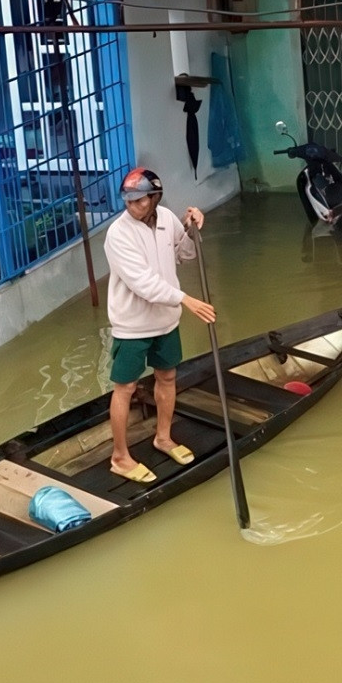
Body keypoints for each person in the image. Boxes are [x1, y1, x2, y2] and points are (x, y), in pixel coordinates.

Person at [102, 167, 212, 484]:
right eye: (129, 200)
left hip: (165, 322)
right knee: (125, 387)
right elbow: (144, 284)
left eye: (140, 200)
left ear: (154, 198)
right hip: (133, 326)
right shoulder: (118, 234)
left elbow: (185, 254)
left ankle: (163, 437)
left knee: (167, 376)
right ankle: (120, 457)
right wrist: (185, 300)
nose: (133, 206)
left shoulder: (166, 219)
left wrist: (191, 228)